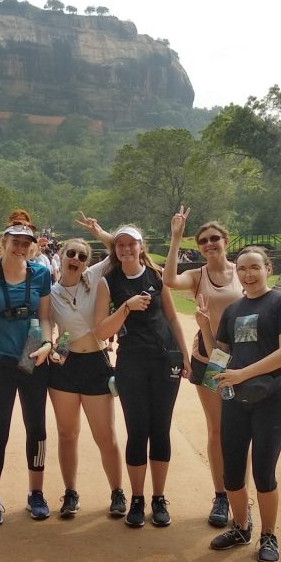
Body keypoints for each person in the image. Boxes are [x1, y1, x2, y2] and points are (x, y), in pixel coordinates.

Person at [199, 246, 281, 562]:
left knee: (263, 470)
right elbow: (220, 355)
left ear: (267, 269)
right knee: (232, 471)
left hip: (273, 396)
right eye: (242, 268)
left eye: (255, 267)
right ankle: (242, 527)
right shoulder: (233, 310)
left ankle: (268, 535)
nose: (248, 273)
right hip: (236, 398)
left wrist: (242, 373)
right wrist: (204, 324)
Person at [94, 224, 190, 528]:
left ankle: (158, 498)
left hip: (164, 361)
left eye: (131, 244)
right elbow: (101, 331)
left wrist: (185, 356)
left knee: (160, 430)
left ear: (140, 246)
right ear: (115, 249)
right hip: (132, 363)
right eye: (120, 245)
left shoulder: (157, 276)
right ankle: (137, 497)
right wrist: (126, 307)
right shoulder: (109, 283)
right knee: (137, 431)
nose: (125, 249)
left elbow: (172, 318)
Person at [0, 210, 54, 526]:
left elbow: (45, 316)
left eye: (25, 243)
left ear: (32, 246)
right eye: (15, 242)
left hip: (33, 356)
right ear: (4, 242)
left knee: (37, 428)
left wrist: (47, 343)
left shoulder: (40, 274)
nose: (20, 248)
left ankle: (37, 493)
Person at [164, 208, 243, 528]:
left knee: (242, 431)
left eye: (214, 239)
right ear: (199, 248)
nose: (210, 244)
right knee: (217, 429)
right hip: (210, 358)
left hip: (246, 359)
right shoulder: (198, 276)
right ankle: (221, 495)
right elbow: (169, 279)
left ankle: (241, 493)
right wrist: (175, 238)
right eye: (203, 241)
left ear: (226, 241)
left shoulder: (243, 271)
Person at [48, 213, 125, 518]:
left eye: (82, 256)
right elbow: (45, 325)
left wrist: (98, 230)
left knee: (105, 435)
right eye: (71, 253)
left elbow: (117, 250)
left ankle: (117, 492)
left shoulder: (93, 279)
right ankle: (70, 493)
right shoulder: (50, 292)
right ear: (61, 256)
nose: (76, 259)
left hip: (96, 361)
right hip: (64, 365)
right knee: (67, 434)